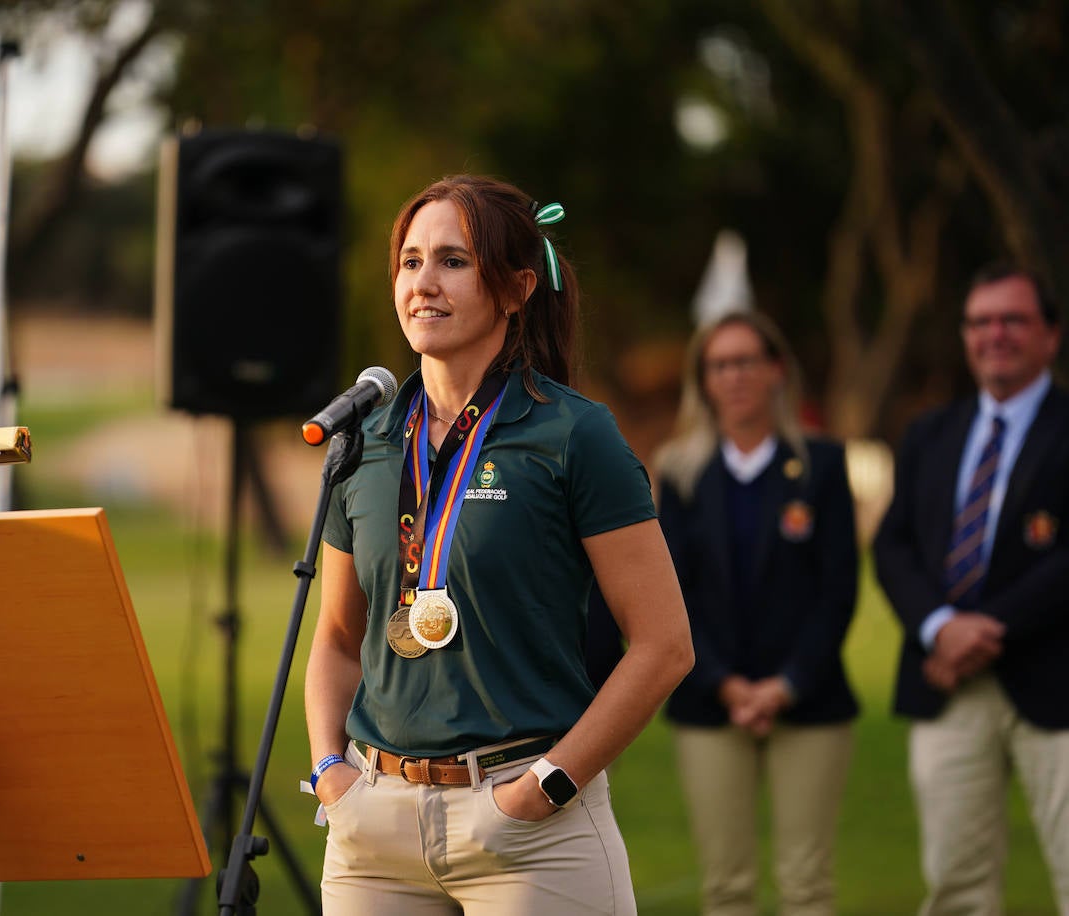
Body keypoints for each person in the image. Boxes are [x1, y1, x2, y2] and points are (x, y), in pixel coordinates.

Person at [303, 174, 694, 915]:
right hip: (373, 831)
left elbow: (665, 644)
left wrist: (546, 786)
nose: (424, 282)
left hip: (528, 827)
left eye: (453, 260)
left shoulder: (575, 435)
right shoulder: (366, 440)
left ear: (516, 288)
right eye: (410, 261)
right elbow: (336, 637)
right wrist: (331, 773)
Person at [873, 262, 1069, 915]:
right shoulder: (930, 433)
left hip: (1056, 684)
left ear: (1051, 335)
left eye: (1013, 319)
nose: (995, 334)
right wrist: (939, 627)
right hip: (947, 684)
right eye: (980, 321)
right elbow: (894, 544)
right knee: (956, 887)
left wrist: (988, 627)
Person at [652, 309, 859, 916]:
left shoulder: (820, 466)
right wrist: (726, 685)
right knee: (726, 887)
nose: (734, 375)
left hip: (809, 700)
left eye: (746, 361)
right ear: (704, 380)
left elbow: (838, 591)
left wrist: (786, 685)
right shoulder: (680, 472)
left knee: (807, 884)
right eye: (719, 365)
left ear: (775, 371)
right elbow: (671, 594)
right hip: (711, 702)